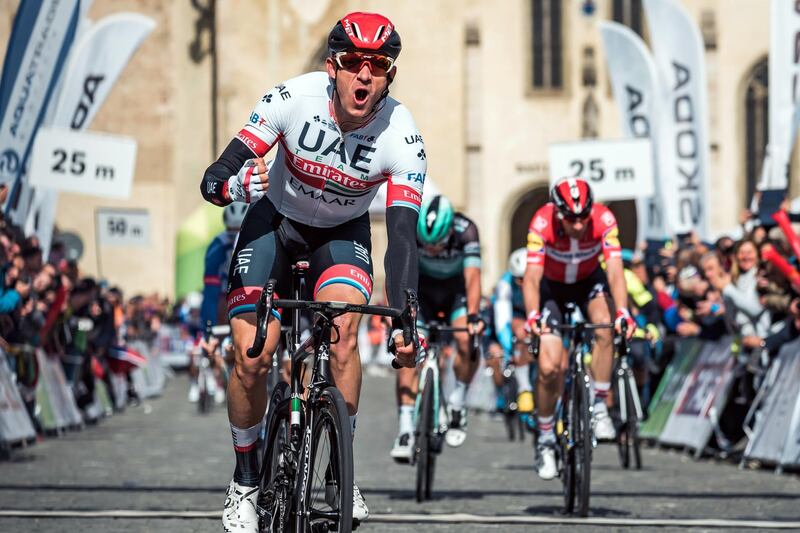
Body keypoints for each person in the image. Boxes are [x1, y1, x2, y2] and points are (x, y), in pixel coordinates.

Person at [200, 12, 424, 531]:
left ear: (389, 75)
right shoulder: (290, 99)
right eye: (352, 63)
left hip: (341, 235)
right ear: (332, 66)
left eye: (378, 65)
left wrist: (405, 319)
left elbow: (403, 237)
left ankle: (337, 471)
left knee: (344, 334)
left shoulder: (402, 134)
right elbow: (216, 176)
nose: (363, 75)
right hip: (275, 223)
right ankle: (245, 479)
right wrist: (234, 188)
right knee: (252, 354)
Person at [523, 177, 634, 481]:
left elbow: (614, 270)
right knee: (548, 368)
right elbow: (532, 277)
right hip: (552, 289)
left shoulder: (604, 219)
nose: (579, 223)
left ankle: (598, 406)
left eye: (584, 216)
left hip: (588, 282)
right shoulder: (542, 221)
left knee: (606, 327)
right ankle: (545, 440)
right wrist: (533, 315)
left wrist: (623, 310)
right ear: (558, 213)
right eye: (572, 218)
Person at [391, 195, 484, 461]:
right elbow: (399, 273)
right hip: (422, 293)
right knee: (407, 348)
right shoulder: (412, 227)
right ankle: (406, 429)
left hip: (456, 293)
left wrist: (475, 316)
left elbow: (473, 277)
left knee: (468, 339)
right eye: (427, 246)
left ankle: (458, 402)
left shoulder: (466, 230)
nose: (432, 250)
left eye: (438, 245)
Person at [492, 248, 535, 418]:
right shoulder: (505, 283)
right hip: (516, 315)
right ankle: (524, 388)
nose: (524, 283)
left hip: (537, 313)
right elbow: (502, 320)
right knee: (521, 330)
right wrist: (509, 349)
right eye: (520, 279)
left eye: (528, 278)